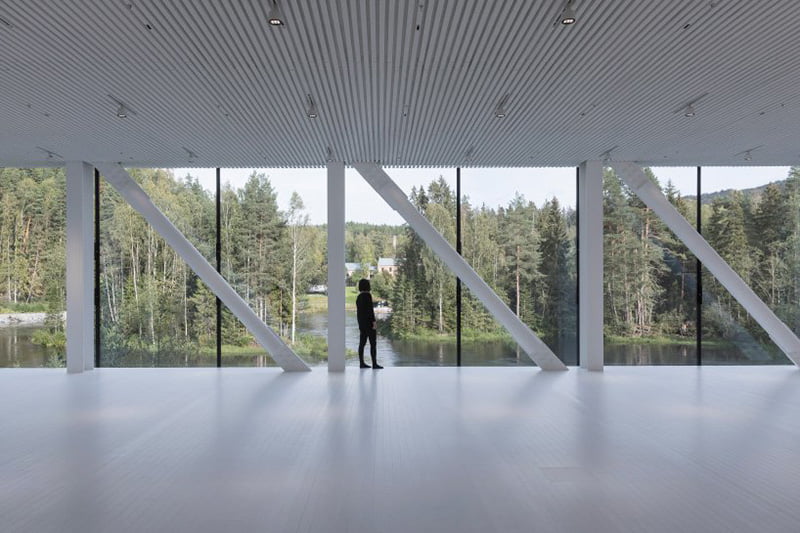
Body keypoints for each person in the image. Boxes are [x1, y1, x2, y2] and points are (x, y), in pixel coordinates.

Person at [356, 278, 382, 369]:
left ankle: (361, 363)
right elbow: (370, 311)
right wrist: (374, 322)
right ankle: (374, 364)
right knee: (373, 344)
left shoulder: (359, 297)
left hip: (361, 324)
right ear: (368, 286)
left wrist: (360, 323)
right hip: (369, 323)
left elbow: (359, 312)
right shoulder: (368, 295)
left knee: (362, 343)